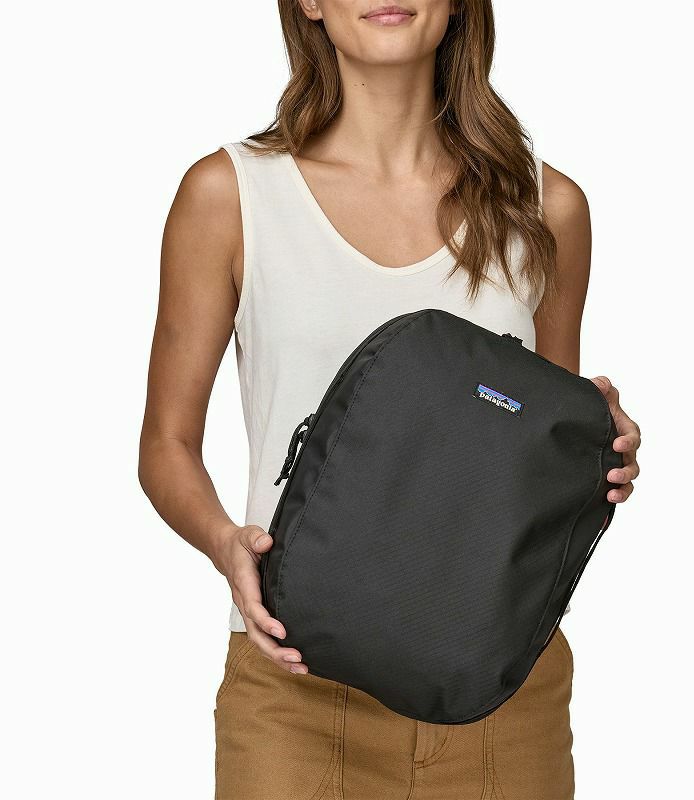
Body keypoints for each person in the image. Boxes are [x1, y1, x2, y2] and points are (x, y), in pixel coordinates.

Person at [138, 2, 641, 797]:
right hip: (293, 687)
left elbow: (533, 465)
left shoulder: (546, 207)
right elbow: (165, 446)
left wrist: (601, 450)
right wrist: (224, 543)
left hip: (497, 693)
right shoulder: (231, 195)